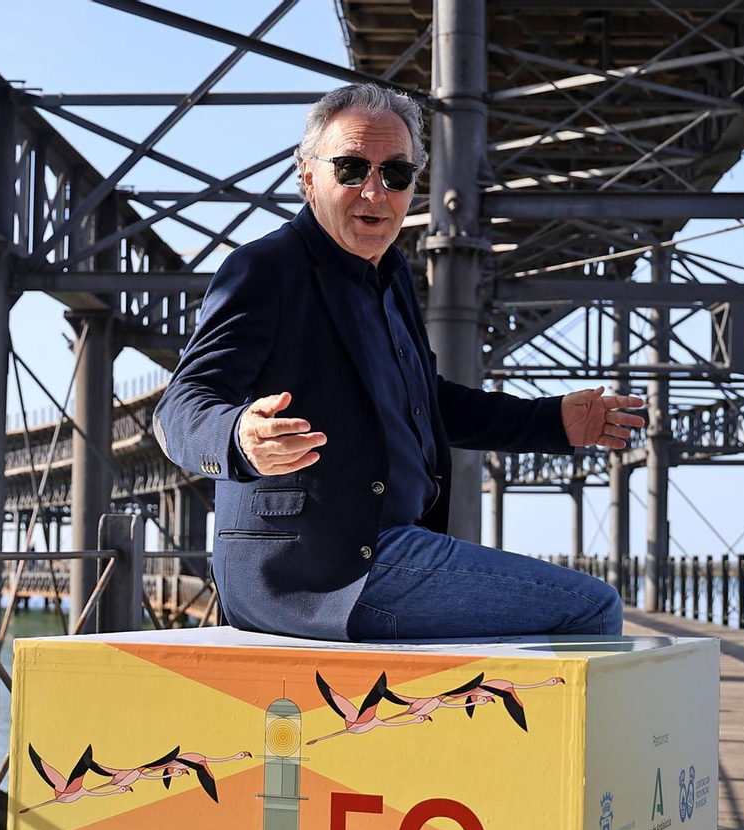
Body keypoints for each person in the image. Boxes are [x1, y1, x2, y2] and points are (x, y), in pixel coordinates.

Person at [154, 83, 645, 641]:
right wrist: (240, 439)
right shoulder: (266, 269)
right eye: (350, 168)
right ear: (308, 174)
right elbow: (180, 409)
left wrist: (551, 421)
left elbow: (428, 403)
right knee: (591, 607)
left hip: (388, 547)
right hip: (315, 572)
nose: (374, 192)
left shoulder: (390, 277)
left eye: (396, 175)